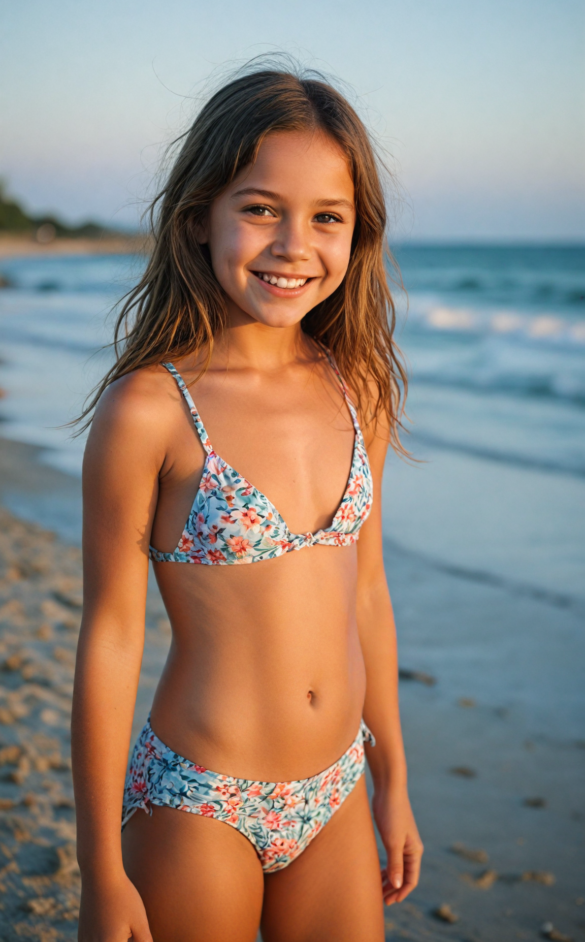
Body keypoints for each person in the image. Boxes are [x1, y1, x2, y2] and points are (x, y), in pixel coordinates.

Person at [72, 65, 423, 942]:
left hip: (336, 785)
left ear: (357, 234)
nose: (292, 245)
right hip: (201, 794)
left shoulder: (359, 388)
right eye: (260, 208)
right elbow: (111, 634)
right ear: (200, 216)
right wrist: (98, 874)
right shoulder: (149, 409)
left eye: (326, 217)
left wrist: (393, 780)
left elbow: (367, 594)